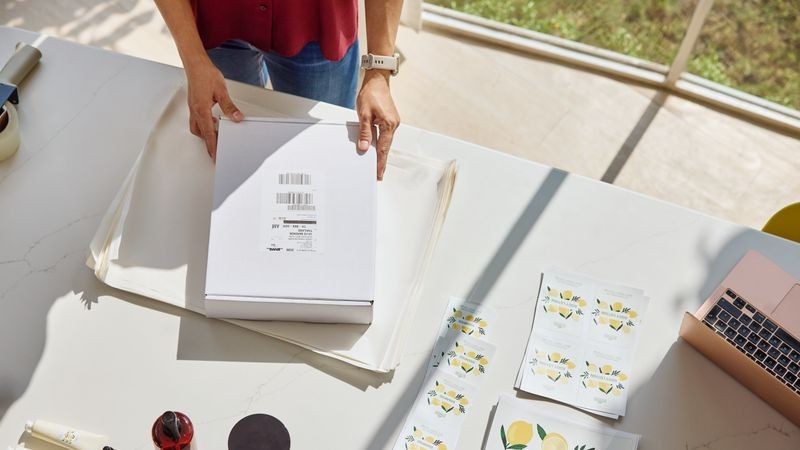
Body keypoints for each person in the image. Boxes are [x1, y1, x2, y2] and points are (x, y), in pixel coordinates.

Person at [154, 0, 403, 180]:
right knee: (234, 151)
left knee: (320, 160)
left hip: (316, 25)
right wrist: (193, 59)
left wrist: (379, 72)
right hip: (217, 19)